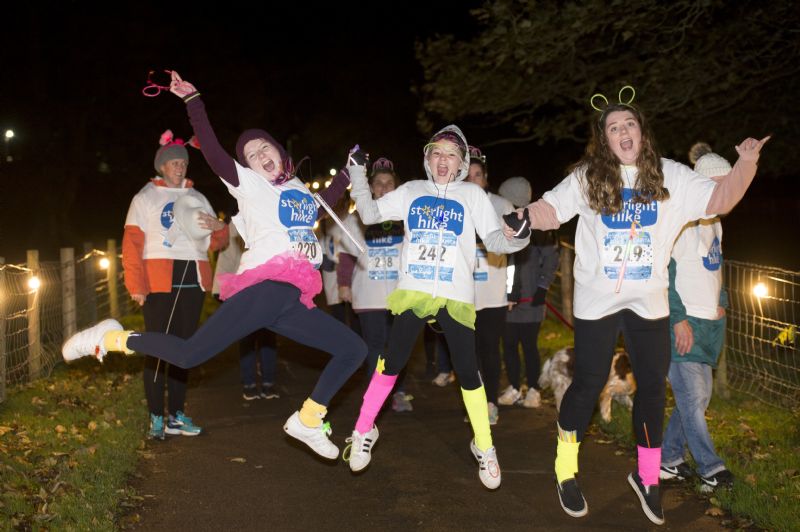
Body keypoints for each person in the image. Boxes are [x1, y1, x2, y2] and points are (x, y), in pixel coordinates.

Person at [63, 71, 367, 461]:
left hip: (292, 298)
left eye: (264, 148)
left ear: (280, 152)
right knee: (190, 354)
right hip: (268, 286)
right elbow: (214, 152)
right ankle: (110, 338)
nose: (259, 155)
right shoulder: (250, 186)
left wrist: (348, 169)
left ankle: (309, 418)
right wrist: (193, 103)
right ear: (248, 169)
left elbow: (325, 203)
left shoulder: (296, 191)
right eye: (252, 155)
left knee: (352, 349)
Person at [517, 87, 768, 524]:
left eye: (629, 123)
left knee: (652, 387)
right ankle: (565, 468)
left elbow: (719, 199)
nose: (623, 131)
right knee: (589, 379)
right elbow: (551, 210)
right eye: (613, 127)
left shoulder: (670, 176)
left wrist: (746, 164)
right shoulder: (588, 176)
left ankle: (648, 477)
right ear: (605, 140)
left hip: (649, 299)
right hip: (598, 299)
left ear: (642, 132)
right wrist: (523, 216)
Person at [343, 125, 529, 490]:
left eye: (451, 155)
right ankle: (364, 428)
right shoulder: (411, 191)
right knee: (392, 361)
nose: (443, 161)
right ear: (428, 159)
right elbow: (367, 214)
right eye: (437, 153)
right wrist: (356, 173)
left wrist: (516, 237)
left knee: (468, 369)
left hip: (455, 294)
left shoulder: (472, 196)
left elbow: (495, 240)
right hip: (414, 290)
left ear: (461, 163)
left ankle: (485, 445)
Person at [122, 130, 228, 440]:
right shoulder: (145, 197)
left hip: (192, 279)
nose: (179, 167)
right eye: (173, 163)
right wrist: (136, 285)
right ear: (161, 167)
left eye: (183, 162)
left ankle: (177, 415)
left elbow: (216, 241)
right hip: (158, 281)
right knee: (157, 350)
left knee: (184, 350)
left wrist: (221, 229)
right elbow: (131, 245)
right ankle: (156, 415)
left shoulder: (198, 198)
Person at [659, 143, 734, 490]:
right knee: (692, 399)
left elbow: (714, 268)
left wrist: (721, 300)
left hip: (709, 324)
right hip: (684, 323)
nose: (727, 194)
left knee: (699, 399)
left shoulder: (715, 223)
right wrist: (677, 319)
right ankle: (710, 468)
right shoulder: (682, 224)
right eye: (719, 187)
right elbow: (666, 275)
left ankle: (669, 460)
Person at [337, 157, 413, 412]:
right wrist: (344, 284)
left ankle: (398, 391)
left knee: (398, 347)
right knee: (376, 347)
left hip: (400, 295)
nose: (383, 187)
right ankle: (375, 397)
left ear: (397, 187)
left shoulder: (406, 217)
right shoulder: (357, 218)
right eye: (378, 183)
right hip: (368, 295)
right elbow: (346, 255)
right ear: (369, 187)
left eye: (388, 183)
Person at [497, 176, 559, 409]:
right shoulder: (502, 225)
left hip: (532, 300)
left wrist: (543, 287)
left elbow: (551, 260)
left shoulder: (538, 227)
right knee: (510, 345)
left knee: (529, 345)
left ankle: (533, 389)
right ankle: (514, 387)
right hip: (507, 302)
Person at [466, 147, 514, 425]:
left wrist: (512, 290)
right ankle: (473, 405)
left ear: (485, 178)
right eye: (468, 176)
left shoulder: (501, 205)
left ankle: (491, 402)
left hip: (493, 293)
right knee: (467, 354)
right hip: (462, 293)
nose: (473, 180)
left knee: (489, 350)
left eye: (478, 175)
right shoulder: (455, 204)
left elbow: (515, 251)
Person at [212, 219, 279, 401]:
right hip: (248, 291)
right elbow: (227, 259)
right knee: (257, 338)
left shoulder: (241, 224)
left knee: (262, 338)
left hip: (259, 290)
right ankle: (257, 384)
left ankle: (263, 383)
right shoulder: (240, 225)